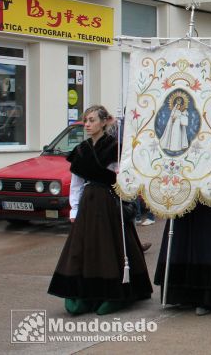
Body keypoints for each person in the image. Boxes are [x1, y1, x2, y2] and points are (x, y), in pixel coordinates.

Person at [48, 106, 152, 315]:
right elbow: (77, 184)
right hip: (88, 203)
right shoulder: (80, 150)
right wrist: (74, 210)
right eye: (85, 120)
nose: (87, 124)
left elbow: (127, 180)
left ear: (104, 122)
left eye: (92, 120)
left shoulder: (116, 148)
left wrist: (124, 181)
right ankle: (83, 295)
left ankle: (114, 294)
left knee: (109, 248)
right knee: (83, 248)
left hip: (110, 203)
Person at [154, 141, 211, 316]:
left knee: (208, 241)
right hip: (184, 188)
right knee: (182, 240)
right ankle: (184, 293)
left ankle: (208, 295)